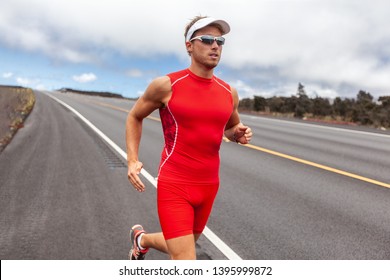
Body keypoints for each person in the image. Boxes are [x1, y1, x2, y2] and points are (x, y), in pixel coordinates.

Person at [125, 15, 252, 260]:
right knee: (185, 259)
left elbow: (231, 126)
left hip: (209, 185)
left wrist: (239, 133)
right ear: (189, 46)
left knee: (184, 244)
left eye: (220, 41)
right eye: (206, 39)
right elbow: (134, 117)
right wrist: (132, 159)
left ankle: (141, 239)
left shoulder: (229, 92)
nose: (215, 45)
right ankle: (142, 241)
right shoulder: (167, 85)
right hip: (175, 183)